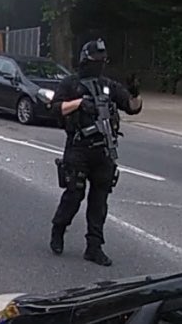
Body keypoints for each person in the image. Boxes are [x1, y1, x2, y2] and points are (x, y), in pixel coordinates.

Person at [49, 38, 142, 266]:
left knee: (99, 202)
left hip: (104, 152)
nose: (99, 64)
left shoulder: (108, 85)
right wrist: (80, 103)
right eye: (95, 60)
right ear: (85, 59)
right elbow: (55, 108)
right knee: (74, 195)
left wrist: (135, 92)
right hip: (79, 149)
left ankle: (94, 246)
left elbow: (133, 108)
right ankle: (58, 229)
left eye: (102, 60)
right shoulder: (71, 84)